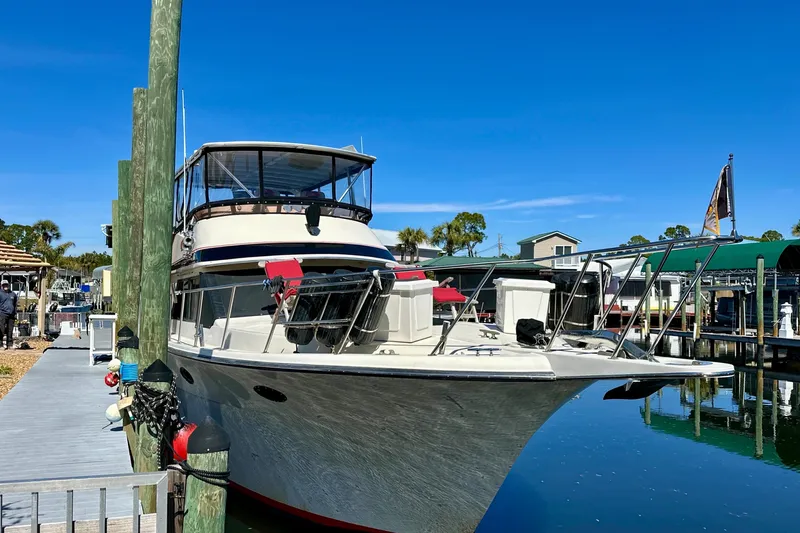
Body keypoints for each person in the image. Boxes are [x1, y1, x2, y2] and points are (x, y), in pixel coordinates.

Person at [0, 280, 18, 349]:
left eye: (6, 285)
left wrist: (15, 312)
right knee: (1, 329)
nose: (5, 286)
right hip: (2, 314)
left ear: (8, 285)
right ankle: (0, 344)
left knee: (10, 330)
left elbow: (15, 304)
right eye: (4, 285)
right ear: (1, 286)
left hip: (11, 315)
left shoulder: (13, 294)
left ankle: (9, 344)